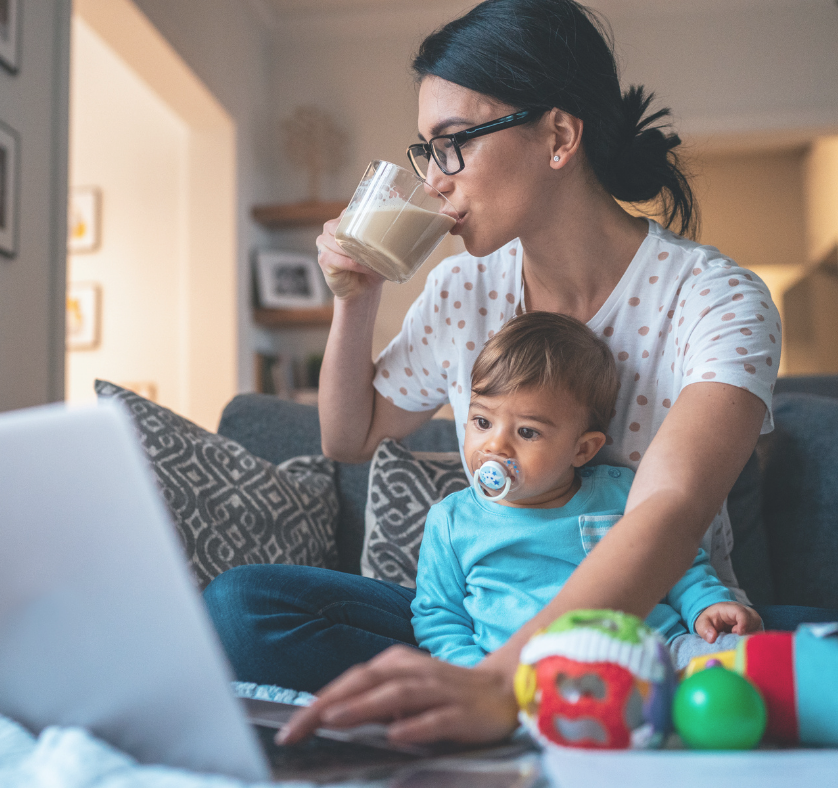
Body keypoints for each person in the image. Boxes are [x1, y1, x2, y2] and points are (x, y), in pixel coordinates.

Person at [205, 0, 837, 748]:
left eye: (452, 145)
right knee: (244, 606)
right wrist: (356, 299)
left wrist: (505, 682)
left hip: (659, 630)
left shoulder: (716, 300)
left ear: (559, 136)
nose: (436, 180)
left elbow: (666, 510)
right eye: (427, 151)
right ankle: (502, 702)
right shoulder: (460, 290)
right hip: (485, 633)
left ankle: (519, 705)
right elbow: (350, 437)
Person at [411, 311, 762, 671]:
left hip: (656, 654)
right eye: (482, 422)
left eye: (527, 432)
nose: (495, 445)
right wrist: (474, 678)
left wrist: (707, 605)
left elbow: (676, 565)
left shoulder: (623, 493)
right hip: (526, 678)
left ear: (583, 450)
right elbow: (440, 618)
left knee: (741, 661)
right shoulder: (451, 522)